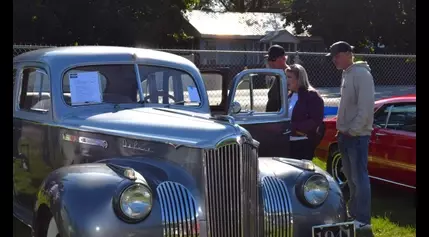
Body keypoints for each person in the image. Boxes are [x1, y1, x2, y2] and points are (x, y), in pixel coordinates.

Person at [326, 41, 375, 233]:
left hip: (357, 136)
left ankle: (363, 219)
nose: (334, 60)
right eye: (333, 57)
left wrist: (353, 130)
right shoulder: (346, 74)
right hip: (345, 135)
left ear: (348, 53)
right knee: (351, 178)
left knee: (360, 177)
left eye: (337, 56)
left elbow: (365, 107)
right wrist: (343, 130)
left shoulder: (362, 74)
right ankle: (354, 214)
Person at [285, 64, 325, 161]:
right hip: (287, 142)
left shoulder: (312, 96)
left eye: (289, 77)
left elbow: (316, 120)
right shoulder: (288, 96)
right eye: (286, 77)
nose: (286, 80)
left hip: (303, 143)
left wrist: (294, 127)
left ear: (299, 79)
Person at [264, 44, 288, 112]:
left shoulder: (291, 76)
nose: (270, 62)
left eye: (273, 59)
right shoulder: (277, 76)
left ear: (283, 59)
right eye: (268, 59)